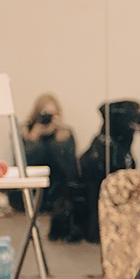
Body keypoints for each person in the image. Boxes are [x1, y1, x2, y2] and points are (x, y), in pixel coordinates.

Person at [18, 93, 84, 240]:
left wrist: (59, 142)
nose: (48, 119)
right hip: (30, 197)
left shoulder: (65, 134)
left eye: (53, 114)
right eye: (45, 114)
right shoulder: (25, 132)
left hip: (57, 196)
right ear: (36, 114)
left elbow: (70, 170)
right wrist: (33, 139)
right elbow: (23, 166)